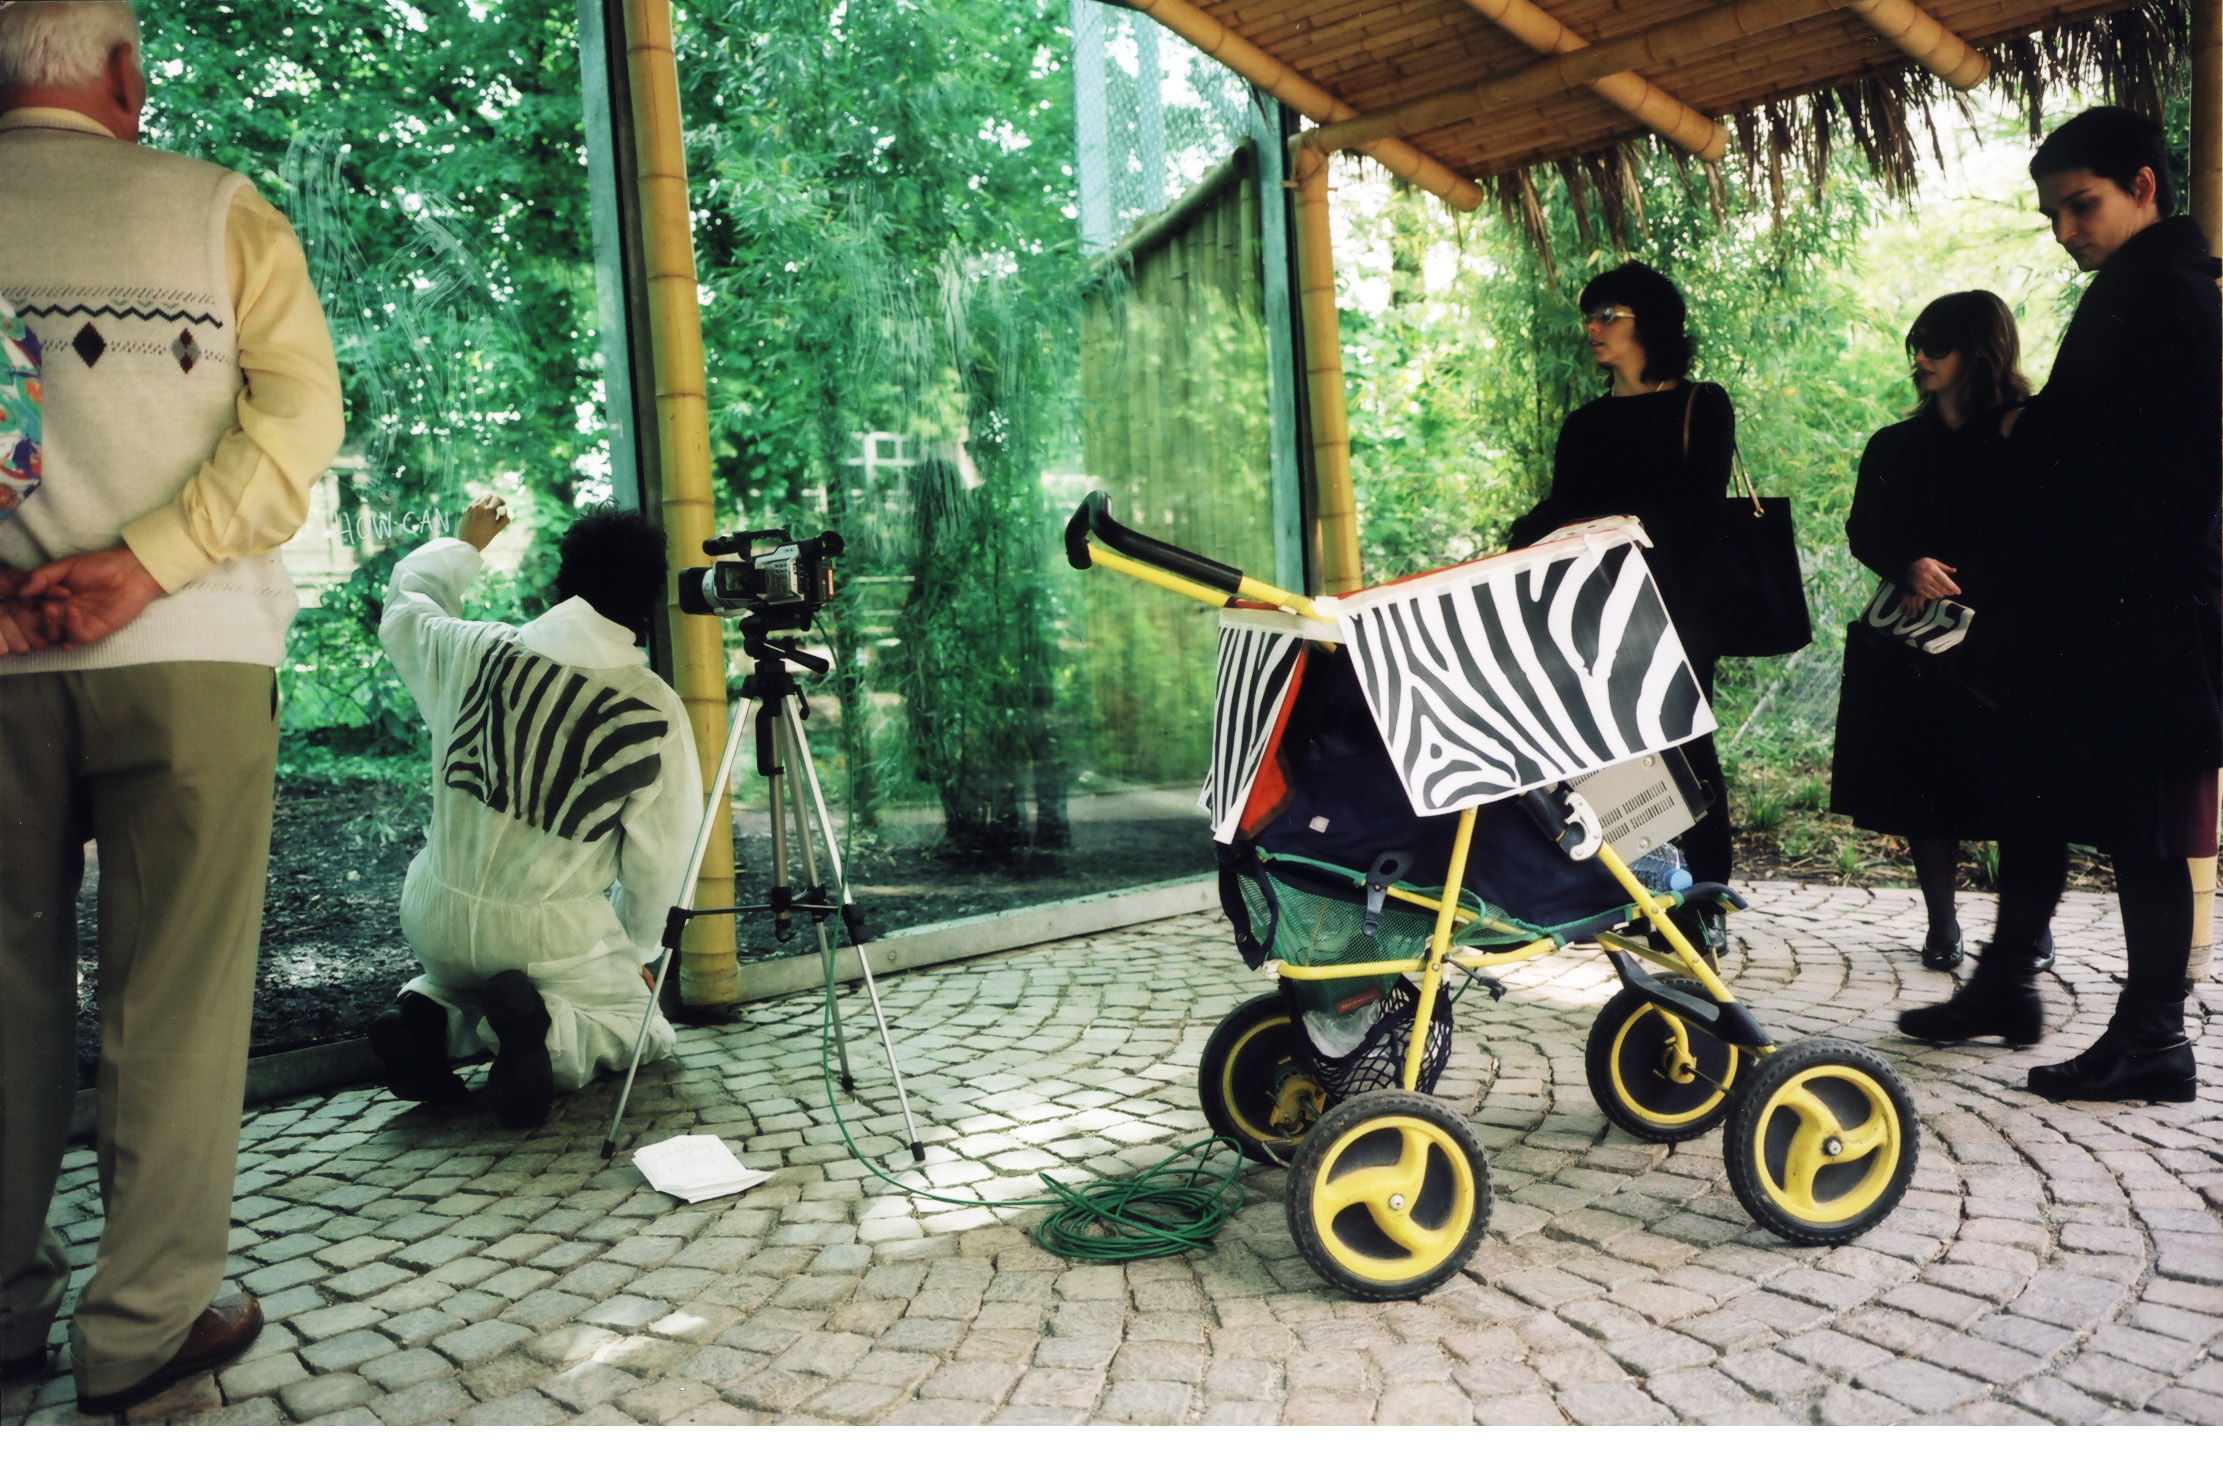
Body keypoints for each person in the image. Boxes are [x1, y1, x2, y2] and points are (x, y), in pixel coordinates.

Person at [0, 1, 344, 1414]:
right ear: (124, 74)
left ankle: (3, 1310)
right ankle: (139, 1329)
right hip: (193, 655)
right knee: (175, 1003)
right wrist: (143, 567)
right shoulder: (216, 209)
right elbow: (300, 425)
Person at [1895, 107, 2220, 1104]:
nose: (2066, 230)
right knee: (2046, 789)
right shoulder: (2150, 288)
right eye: (2053, 215)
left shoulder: (2162, 292)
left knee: (2149, 826)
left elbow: (2149, 465)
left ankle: (2155, 1036)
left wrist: (2034, 456)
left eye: (2082, 206)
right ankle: (2007, 984)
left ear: (2145, 188)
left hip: (2149, 615)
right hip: (2119, 610)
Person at [370, 498, 700, 1128]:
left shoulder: (473, 651)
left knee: (472, 977)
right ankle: (543, 1042)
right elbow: (662, 854)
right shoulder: (652, 707)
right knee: (640, 1027)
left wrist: (465, 546)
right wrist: (635, 949)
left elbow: (407, 607)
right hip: (546, 938)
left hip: (434, 913)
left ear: (563, 578)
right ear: (649, 597)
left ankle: (430, 1022)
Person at [1507, 261, 1735, 945]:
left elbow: (1695, 510)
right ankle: (1647, 893)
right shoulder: (1585, 422)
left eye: (1606, 313)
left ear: (1650, 322)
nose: (1590, 328)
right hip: (1597, 608)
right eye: (1588, 315)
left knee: (1685, 746)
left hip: (1676, 606)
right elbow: (1560, 508)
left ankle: (1705, 902)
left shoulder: (1703, 403)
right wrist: (1515, 544)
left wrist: (1607, 523)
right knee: (1611, 748)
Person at [1831, 292, 2050, 975]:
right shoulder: (1894, 444)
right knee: (1924, 790)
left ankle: (2024, 933)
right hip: (1918, 644)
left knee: (2017, 790)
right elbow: (1861, 529)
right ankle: (1942, 926)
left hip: (2006, 643)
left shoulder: (2027, 430)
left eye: (1936, 345)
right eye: (1915, 345)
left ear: (1978, 351)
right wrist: (1905, 564)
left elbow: (2051, 533)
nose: (1919, 358)